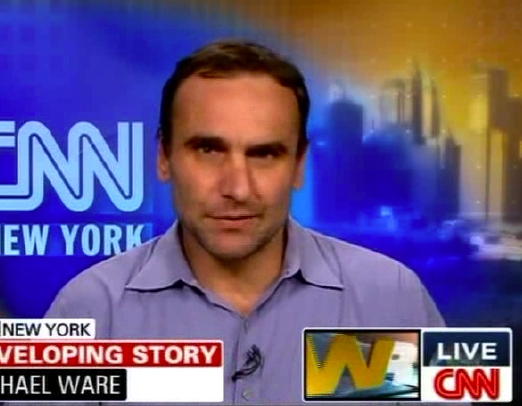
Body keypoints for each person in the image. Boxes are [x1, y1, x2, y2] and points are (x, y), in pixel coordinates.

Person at [44, 39, 446, 404]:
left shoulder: (393, 299)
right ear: (164, 157)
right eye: (208, 150)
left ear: (299, 165)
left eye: (264, 154)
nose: (237, 187)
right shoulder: (89, 308)